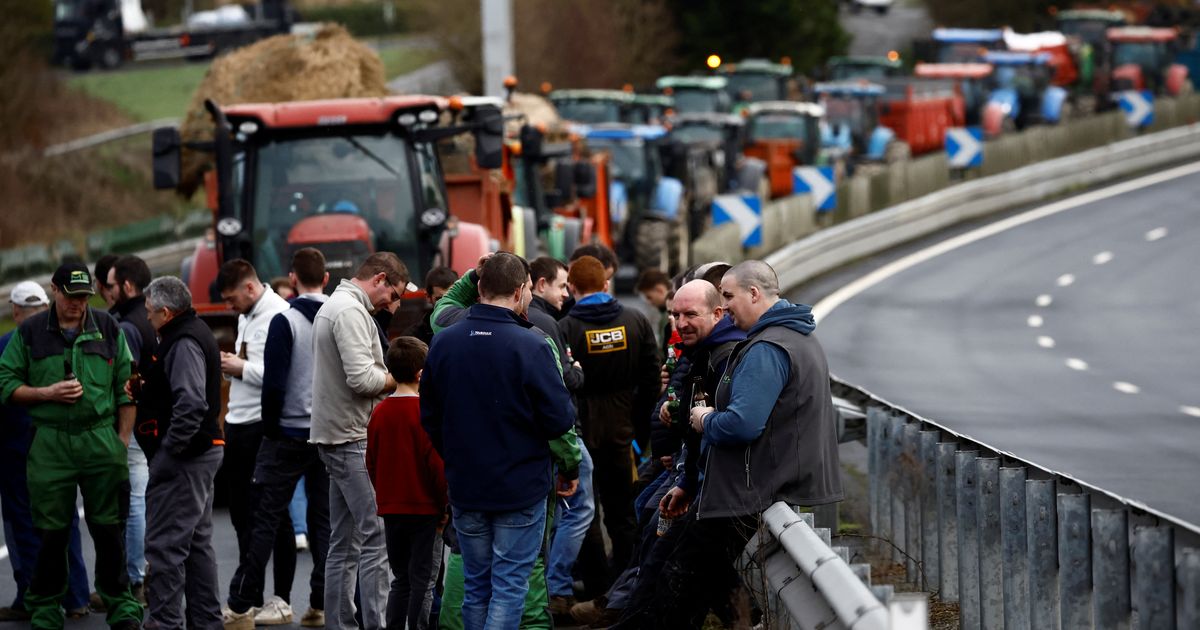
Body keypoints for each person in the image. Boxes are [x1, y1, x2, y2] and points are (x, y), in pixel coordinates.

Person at [624, 260, 844, 628]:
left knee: (674, 593)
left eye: (728, 296)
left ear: (754, 293)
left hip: (748, 489)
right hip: (754, 485)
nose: (724, 306)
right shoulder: (793, 335)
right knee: (682, 588)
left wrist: (704, 418)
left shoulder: (767, 347)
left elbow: (742, 424)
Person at [572, 279, 745, 627]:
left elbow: (726, 426)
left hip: (712, 487)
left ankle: (626, 612)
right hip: (690, 478)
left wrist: (686, 472)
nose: (680, 323)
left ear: (718, 313)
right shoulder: (700, 352)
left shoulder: (725, 357)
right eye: (675, 315)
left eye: (690, 315)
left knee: (662, 549)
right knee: (651, 531)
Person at [420, 252, 580, 630]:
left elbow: (430, 417)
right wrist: (569, 465)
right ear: (521, 291)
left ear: (479, 287)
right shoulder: (533, 344)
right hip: (520, 486)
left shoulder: (444, 341)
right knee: (509, 588)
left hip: (466, 485)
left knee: (476, 586)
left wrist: (456, 454)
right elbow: (560, 419)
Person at [0, 263, 143, 630]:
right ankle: (46, 610)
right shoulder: (30, 332)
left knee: (109, 531)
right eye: (71, 296)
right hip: (50, 441)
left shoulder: (107, 327)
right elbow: (5, 382)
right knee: (50, 534)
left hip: (100, 439)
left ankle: (122, 607)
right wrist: (46, 393)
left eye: (83, 297)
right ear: (54, 290)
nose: (78, 304)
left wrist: (122, 440)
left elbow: (127, 386)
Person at [223, 249, 331, 629]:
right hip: (326, 431)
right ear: (327, 278)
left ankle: (240, 606)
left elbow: (274, 384)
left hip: (286, 432)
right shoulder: (340, 317)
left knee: (264, 519)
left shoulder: (285, 320)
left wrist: (271, 428)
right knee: (323, 522)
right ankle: (319, 603)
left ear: (292, 279)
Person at [310, 252, 406, 630]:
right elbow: (363, 380)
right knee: (375, 536)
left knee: (345, 543)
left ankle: (340, 624)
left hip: (338, 435)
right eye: (394, 295)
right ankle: (375, 625)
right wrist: (401, 377)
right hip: (352, 437)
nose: (392, 304)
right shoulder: (350, 312)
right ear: (379, 279)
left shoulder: (338, 306)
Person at [558, 255, 660, 583]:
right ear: (606, 284)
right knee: (623, 511)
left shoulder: (565, 328)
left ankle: (596, 583)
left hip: (581, 430)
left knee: (584, 512)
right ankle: (626, 583)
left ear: (571, 287)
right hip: (623, 429)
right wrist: (639, 428)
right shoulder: (636, 320)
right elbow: (652, 380)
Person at [137, 276, 225, 630]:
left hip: (187, 457)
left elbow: (190, 403)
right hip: (201, 451)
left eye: (150, 312)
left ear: (166, 312)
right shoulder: (191, 332)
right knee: (196, 543)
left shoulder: (183, 342)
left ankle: (165, 623)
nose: (147, 318)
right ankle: (206, 622)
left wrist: (169, 452)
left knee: (166, 545)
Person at [0, 282, 92, 622]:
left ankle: (32, 598)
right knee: (65, 521)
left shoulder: (6, 345)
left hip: (17, 451)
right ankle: (77, 597)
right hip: (63, 447)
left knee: (24, 524)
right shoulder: (67, 341)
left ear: (15, 311)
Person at [214, 260, 293, 590]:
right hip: (237, 423)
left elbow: (283, 375)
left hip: (262, 426)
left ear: (249, 287)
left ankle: (281, 597)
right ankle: (252, 594)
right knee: (241, 515)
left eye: (231, 299)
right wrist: (235, 367)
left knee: (273, 515)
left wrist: (240, 367)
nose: (229, 307)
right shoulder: (246, 314)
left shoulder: (279, 314)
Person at [528, 256, 594, 618]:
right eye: (560, 285)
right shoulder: (545, 323)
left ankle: (545, 589)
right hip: (562, 434)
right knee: (580, 507)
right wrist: (578, 372)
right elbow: (564, 381)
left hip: (531, 439)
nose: (566, 293)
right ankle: (557, 587)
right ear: (540, 284)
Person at [366, 337, 446, 630]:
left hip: (392, 507)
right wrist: (444, 506)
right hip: (425, 509)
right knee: (423, 579)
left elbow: (371, 461)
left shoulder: (380, 412)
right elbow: (437, 466)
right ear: (421, 374)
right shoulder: (425, 412)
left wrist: (384, 493)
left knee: (400, 578)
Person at [107, 255, 157, 606]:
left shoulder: (126, 327)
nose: (107, 293)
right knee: (149, 497)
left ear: (127, 285)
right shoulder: (154, 315)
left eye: (111, 286)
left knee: (134, 500)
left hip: (137, 422)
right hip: (158, 422)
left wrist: (124, 430)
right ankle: (148, 571)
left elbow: (128, 380)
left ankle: (135, 576)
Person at [407, 266, 458, 344]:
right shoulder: (413, 338)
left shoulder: (470, 329)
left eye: (451, 297)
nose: (446, 305)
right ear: (428, 297)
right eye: (439, 299)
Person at [635, 268, 672, 349]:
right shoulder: (665, 312)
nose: (649, 302)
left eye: (649, 297)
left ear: (660, 290)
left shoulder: (671, 314)